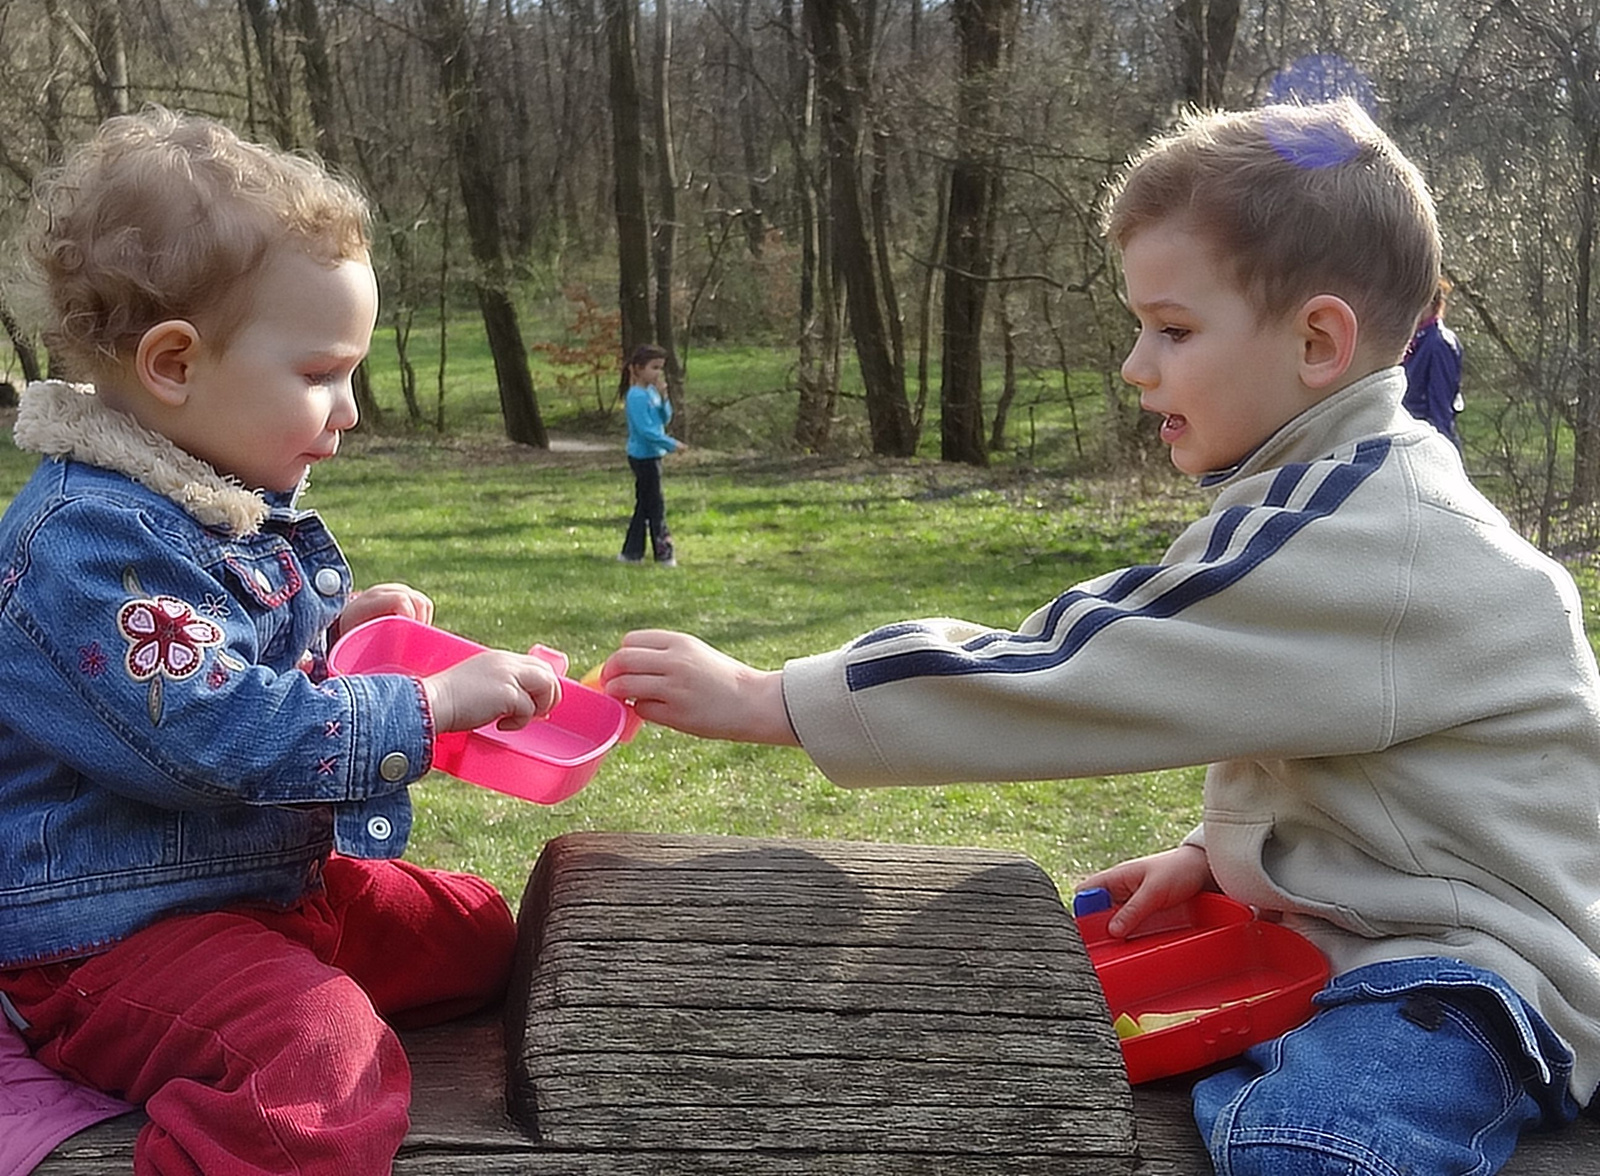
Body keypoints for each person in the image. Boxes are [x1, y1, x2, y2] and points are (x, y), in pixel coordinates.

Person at [597, 100, 1600, 1175]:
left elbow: (1090, 664)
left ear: (1317, 341)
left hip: (1472, 978)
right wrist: (1214, 855)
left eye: (1171, 329)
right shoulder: (1321, 497)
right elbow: (1359, 761)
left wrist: (773, 698)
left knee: (1310, 1141)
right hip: (1359, 940)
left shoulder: (1371, 529)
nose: (1133, 364)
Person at [0, 107, 564, 1174]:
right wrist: (428, 710)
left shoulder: (202, 499)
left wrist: (344, 633)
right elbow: (216, 735)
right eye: (321, 373)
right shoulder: (86, 547)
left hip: (257, 890)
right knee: (315, 1061)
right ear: (175, 363)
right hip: (112, 937)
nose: (348, 410)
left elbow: (223, 654)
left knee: (480, 931)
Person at [617, 343, 684, 567]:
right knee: (656, 506)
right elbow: (646, 431)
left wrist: (665, 399)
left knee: (644, 506)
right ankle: (664, 554)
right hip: (643, 457)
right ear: (638, 368)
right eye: (654, 367)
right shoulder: (636, 396)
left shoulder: (652, 393)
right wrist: (672, 444)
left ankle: (631, 553)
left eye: (660, 368)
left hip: (654, 454)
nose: (658, 373)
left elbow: (664, 420)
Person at [1402, 277, 1464, 445]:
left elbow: (1440, 406)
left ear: (1430, 303)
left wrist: (1440, 449)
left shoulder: (1439, 343)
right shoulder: (1412, 339)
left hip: (1426, 440)